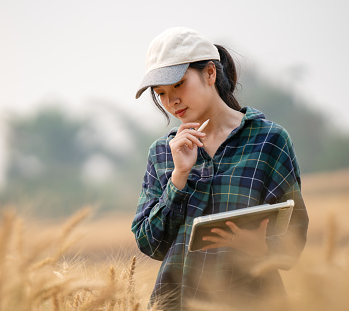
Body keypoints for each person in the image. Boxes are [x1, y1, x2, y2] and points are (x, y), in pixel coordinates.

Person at [131, 27, 308, 310]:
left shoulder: (268, 141)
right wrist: (179, 177)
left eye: (178, 84)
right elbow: (150, 244)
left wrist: (261, 248)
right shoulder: (163, 153)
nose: (171, 101)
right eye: (161, 93)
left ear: (210, 73)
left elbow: (294, 235)